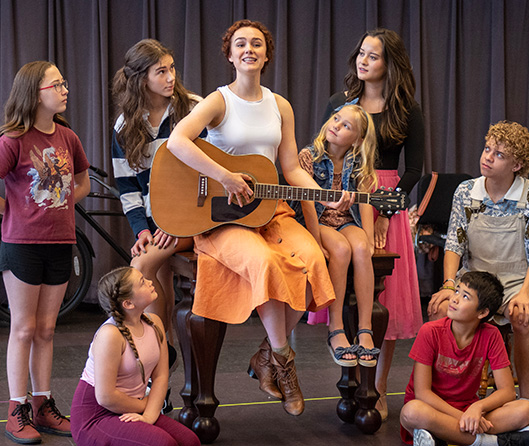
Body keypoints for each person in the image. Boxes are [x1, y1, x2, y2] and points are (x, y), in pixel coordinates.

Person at [167, 19, 352, 416]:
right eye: (240, 44)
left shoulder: (279, 105)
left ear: (266, 55)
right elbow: (177, 141)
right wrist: (224, 175)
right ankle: (285, 364)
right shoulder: (217, 101)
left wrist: (325, 197)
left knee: (314, 260)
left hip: (270, 211)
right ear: (230, 55)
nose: (248, 49)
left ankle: (267, 354)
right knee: (266, 263)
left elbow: (291, 169)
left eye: (256, 44)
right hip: (221, 217)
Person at [0, 61, 91, 444]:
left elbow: (81, 183)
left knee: (47, 329)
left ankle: (42, 405)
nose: (65, 89)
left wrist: (61, 203)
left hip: (59, 243)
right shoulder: (14, 140)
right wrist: (17, 210)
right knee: (23, 328)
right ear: (35, 94)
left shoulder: (68, 138)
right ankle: (16, 408)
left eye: (64, 83)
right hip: (21, 246)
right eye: (57, 84)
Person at [427, 120, 529, 429]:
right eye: (487, 149)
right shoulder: (466, 192)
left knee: (522, 317)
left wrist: (527, 292)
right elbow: (454, 243)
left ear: (517, 164)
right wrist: (449, 285)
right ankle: (446, 398)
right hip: (475, 277)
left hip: (518, 278)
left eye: (499, 154)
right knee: (440, 311)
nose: (488, 157)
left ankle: (527, 404)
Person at [322, 27, 424, 419]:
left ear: (390, 64)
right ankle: (349, 379)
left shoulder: (407, 109)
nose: (363, 61)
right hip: (342, 199)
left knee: (387, 301)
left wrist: (383, 212)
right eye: (361, 53)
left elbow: (413, 171)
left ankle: (377, 386)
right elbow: (325, 151)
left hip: (386, 202)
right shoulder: (339, 103)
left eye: (373, 56)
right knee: (348, 296)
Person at [111, 39, 205, 396]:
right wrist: (141, 229)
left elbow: (206, 174)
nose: (170, 78)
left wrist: (173, 223)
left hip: (193, 218)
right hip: (155, 222)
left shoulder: (193, 110)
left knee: (141, 268)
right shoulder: (125, 125)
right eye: (160, 71)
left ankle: (151, 357)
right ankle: (159, 363)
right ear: (140, 79)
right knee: (153, 268)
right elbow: (128, 187)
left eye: (171, 68)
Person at [400, 271, 529, 446]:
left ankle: (441, 437)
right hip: (433, 409)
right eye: (457, 291)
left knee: (526, 410)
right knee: (411, 412)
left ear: (482, 312)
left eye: (465, 296)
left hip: (468, 409)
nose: (454, 299)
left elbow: (507, 391)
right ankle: (493, 442)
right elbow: (422, 393)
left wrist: (478, 408)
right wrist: (465, 418)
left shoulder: (491, 335)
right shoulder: (430, 331)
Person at [69, 267, 201, 446]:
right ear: (129, 303)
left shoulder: (154, 322)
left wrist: (148, 416)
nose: (150, 282)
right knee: (163, 443)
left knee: (190, 441)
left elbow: (161, 377)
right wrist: (146, 406)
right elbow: (105, 397)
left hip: (133, 406)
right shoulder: (110, 335)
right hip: (96, 416)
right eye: (142, 282)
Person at [292, 104, 380, 367]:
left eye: (346, 126)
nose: (336, 126)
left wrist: (368, 235)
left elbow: (364, 200)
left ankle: (365, 329)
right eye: (335, 118)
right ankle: (336, 329)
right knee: (341, 250)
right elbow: (307, 202)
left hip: (344, 219)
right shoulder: (309, 156)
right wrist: (316, 240)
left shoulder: (359, 161)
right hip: (316, 221)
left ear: (359, 139)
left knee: (361, 249)